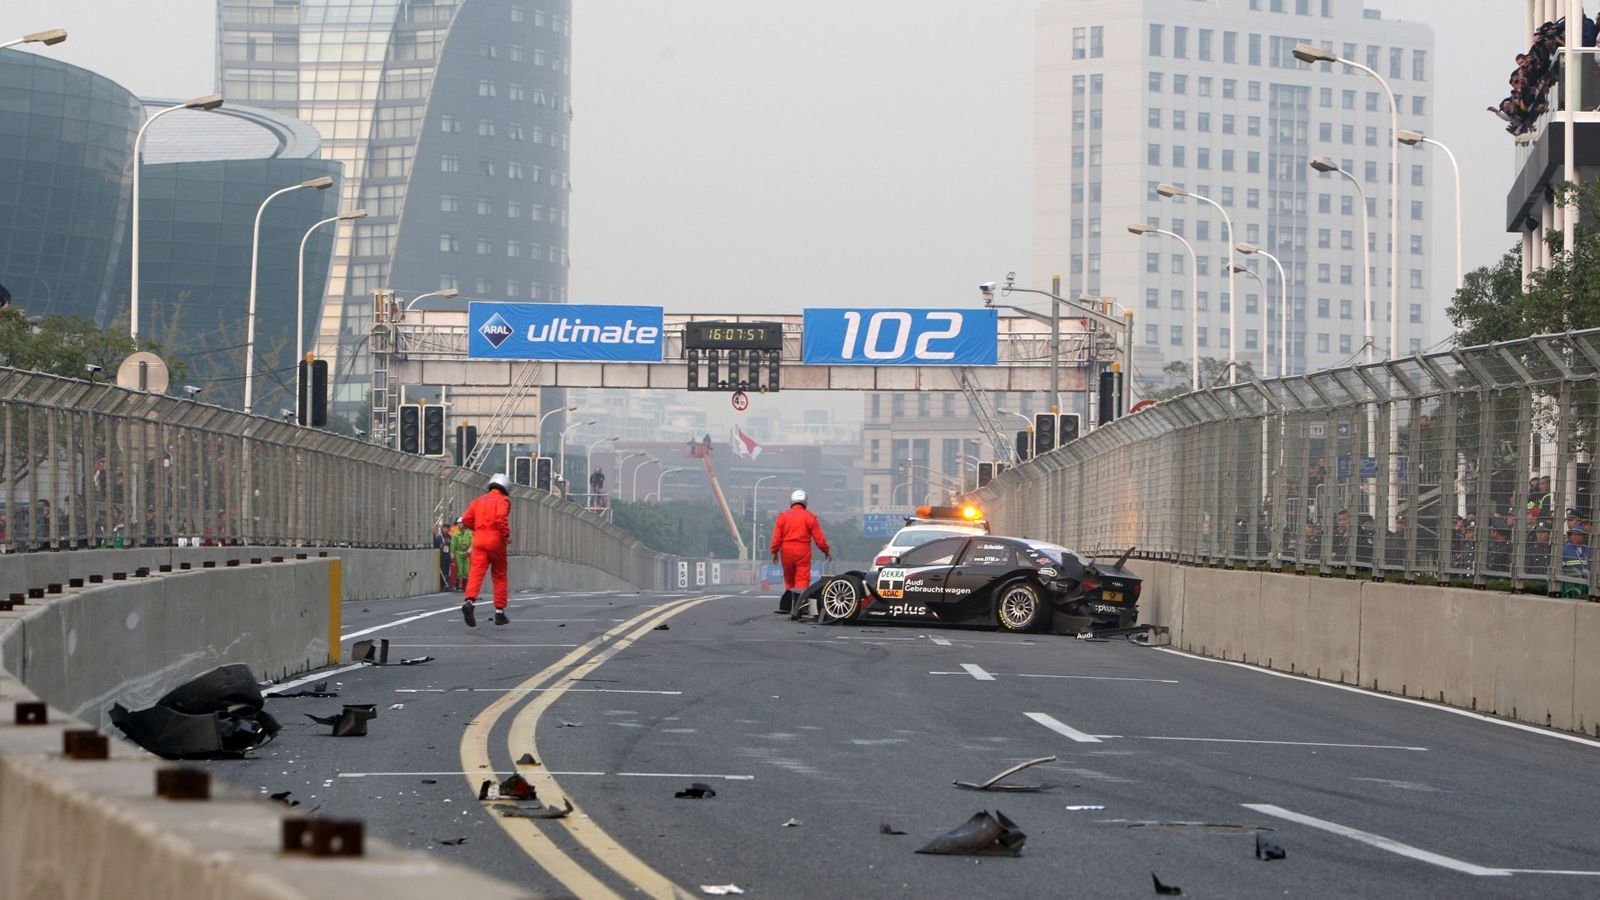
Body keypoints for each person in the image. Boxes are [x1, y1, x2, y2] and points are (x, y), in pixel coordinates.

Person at [461, 473, 513, 627]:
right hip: (495, 540)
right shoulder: (503, 500)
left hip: (479, 540)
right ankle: (499, 612)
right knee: (499, 575)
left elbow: (466, 519)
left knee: (476, 573)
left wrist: (478, 528)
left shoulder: (478, 501)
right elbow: (500, 518)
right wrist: (506, 535)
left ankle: (469, 601)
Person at [770, 489, 831, 616]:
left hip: (786, 551)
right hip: (803, 550)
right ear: (805, 502)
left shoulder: (782, 517)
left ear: (791, 501)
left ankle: (788, 604)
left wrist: (774, 551)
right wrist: (825, 550)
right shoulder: (810, 517)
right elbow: (819, 538)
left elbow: (776, 537)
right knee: (802, 578)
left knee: (789, 579)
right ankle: (799, 606)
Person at [449, 515, 473, 592]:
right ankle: (457, 585)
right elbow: (453, 545)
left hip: (466, 553)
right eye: (458, 523)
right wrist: (452, 555)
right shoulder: (456, 534)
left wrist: (469, 551)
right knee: (460, 569)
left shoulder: (469, 534)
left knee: (466, 570)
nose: (459, 525)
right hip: (458, 553)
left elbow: (472, 543)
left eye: (460, 523)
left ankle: (464, 586)